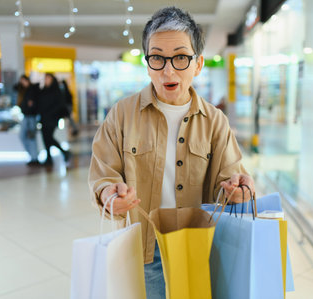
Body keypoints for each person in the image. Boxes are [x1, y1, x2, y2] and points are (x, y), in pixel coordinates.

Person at [88, 6, 255, 299]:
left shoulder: (215, 121)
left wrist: (237, 189)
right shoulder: (122, 114)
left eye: (180, 57)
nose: (168, 69)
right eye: (157, 58)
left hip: (197, 246)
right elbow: (103, 173)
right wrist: (108, 194)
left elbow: (230, 177)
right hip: (143, 250)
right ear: (147, 62)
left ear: (198, 63)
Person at [38, 73, 70, 166]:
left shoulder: (56, 91)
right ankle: (49, 157)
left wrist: (50, 112)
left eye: (48, 78)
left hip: (52, 118)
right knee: (45, 138)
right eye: (45, 78)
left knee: (49, 137)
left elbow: (60, 104)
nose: (46, 80)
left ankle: (64, 152)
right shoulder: (43, 90)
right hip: (44, 118)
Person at [16, 75, 41, 166]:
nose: (22, 83)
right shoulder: (24, 90)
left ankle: (34, 157)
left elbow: (31, 105)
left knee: (31, 137)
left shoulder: (32, 90)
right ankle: (32, 155)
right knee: (23, 136)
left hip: (31, 117)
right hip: (26, 116)